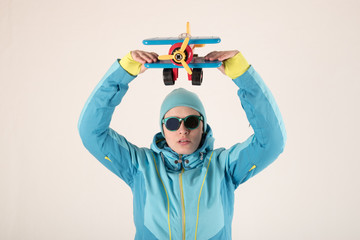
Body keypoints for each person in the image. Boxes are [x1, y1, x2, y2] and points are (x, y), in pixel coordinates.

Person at [78, 49, 286, 240]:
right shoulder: (140, 166)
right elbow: (91, 132)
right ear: (162, 129)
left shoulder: (224, 167)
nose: (182, 130)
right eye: (172, 123)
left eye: (192, 122)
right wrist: (122, 73)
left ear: (203, 126)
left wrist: (243, 75)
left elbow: (272, 142)